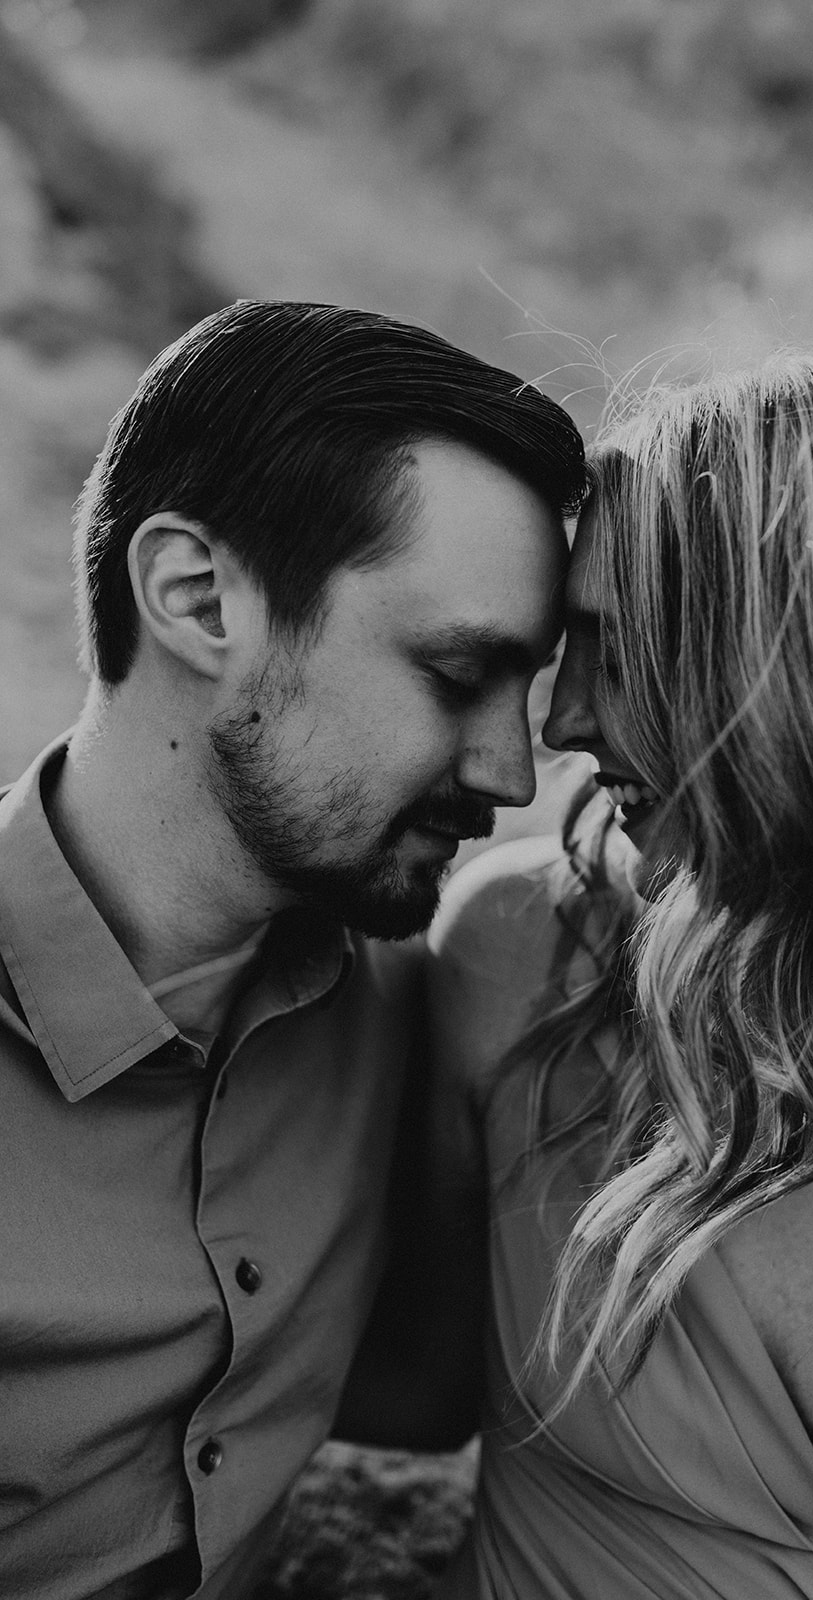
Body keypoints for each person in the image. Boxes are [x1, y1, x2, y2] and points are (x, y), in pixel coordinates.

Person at [429, 354, 813, 1600]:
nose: (560, 725)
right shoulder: (522, 957)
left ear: (806, 664)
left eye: (618, 649)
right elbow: (392, 1371)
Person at [0, 298, 585, 1599]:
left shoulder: (399, 1009)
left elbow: (418, 1392)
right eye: (451, 675)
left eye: (525, 697)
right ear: (199, 598)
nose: (506, 773)